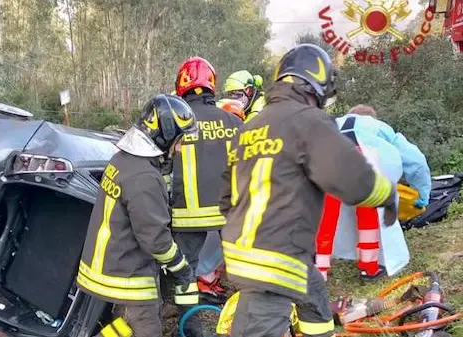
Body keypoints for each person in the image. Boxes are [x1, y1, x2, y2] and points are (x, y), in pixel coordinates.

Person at [218, 43, 399, 337]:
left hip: (250, 252)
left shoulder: (248, 129)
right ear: (316, 86)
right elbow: (351, 177)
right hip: (275, 261)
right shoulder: (308, 121)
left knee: (314, 295)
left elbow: (225, 199)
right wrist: (387, 193)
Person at [77, 94, 200, 337]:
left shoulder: (123, 161)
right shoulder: (144, 176)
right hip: (127, 277)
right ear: (164, 135)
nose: (180, 148)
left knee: (123, 328)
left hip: (109, 267)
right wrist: (181, 267)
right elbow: (155, 238)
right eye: (180, 141)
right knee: (147, 329)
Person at [316, 104, 431, 281]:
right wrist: (423, 193)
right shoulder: (378, 126)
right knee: (367, 215)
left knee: (327, 218)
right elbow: (416, 161)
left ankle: (320, 270)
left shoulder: (333, 124)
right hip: (363, 167)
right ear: (371, 117)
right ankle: (368, 268)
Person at [171, 56, 243, 305]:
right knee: (245, 268)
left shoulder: (177, 123)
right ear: (212, 84)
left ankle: (188, 327)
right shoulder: (235, 122)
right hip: (229, 213)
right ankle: (250, 316)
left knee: (185, 273)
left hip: (186, 216)